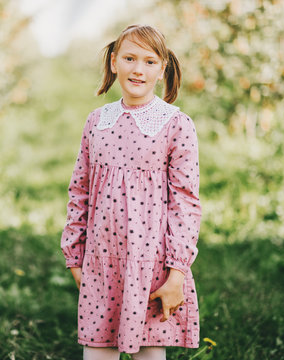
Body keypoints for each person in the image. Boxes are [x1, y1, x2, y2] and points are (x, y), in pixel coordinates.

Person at [61, 24, 202, 360]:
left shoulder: (175, 124)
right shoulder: (97, 121)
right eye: (129, 58)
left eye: (150, 61)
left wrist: (176, 274)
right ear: (114, 62)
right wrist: (74, 257)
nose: (138, 69)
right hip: (101, 264)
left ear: (162, 68)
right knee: (97, 353)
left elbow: (185, 202)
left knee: (149, 354)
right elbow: (79, 190)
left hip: (152, 269)